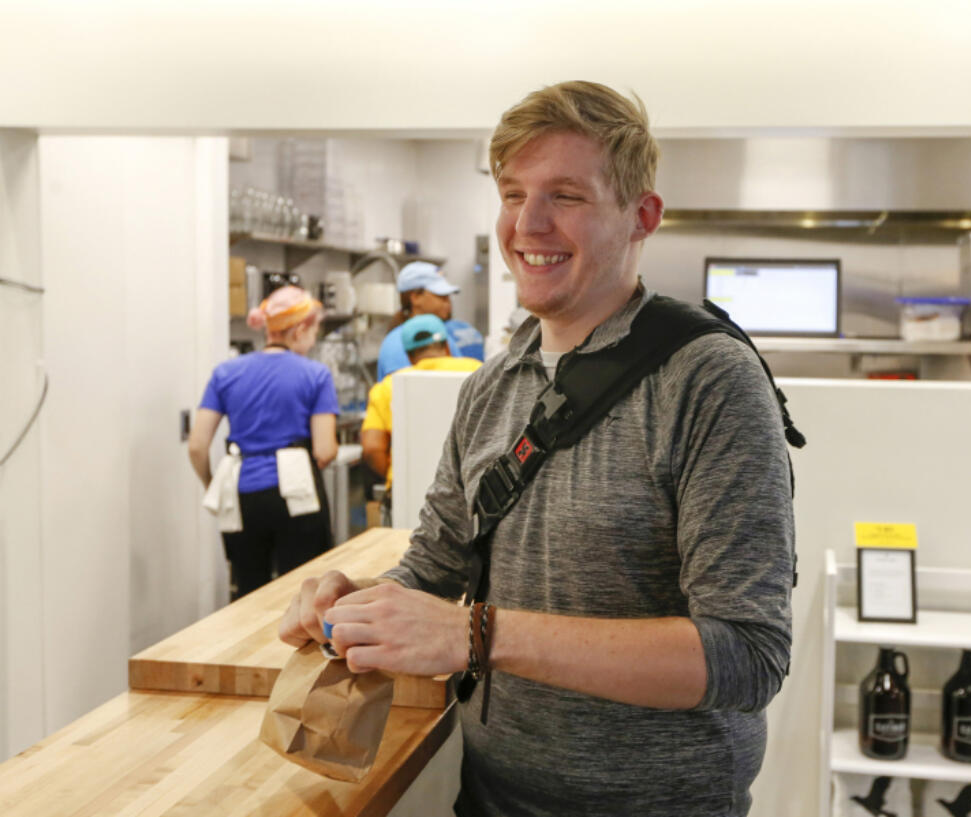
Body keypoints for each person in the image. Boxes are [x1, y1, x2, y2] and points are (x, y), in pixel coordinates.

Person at [279, 81, 794, 816]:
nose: (528, 223)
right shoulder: (493, 386)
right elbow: (436, 564)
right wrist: (362, 603)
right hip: (493, 796)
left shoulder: (708, 380)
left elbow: (747, 653)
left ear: (641, 215)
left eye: (567, 196)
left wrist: (477, 632)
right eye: (513, 192)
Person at [189, 285, 340, 600]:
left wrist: (210, 484)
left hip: (242, 492)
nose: (313, 340)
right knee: (305, 594)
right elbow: (325, 451)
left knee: (249, 594)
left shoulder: (226, 372)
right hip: (297, 492)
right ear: (300, 329)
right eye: (314, 331)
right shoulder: (316, 374)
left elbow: (197, 446)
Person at [360, 313, 481, 514]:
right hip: (470, 491)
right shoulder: (479, 372)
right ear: (447, 346)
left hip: (406, 496)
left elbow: (372, 448)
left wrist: (397, 476)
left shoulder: (388, 386)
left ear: (408, 356)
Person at [376, 261, 485, 380]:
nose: (448, 302)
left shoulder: (444, 336)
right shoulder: (397, 343)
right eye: (441, 296)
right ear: (415, 298)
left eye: (448, 296)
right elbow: (404, 391)